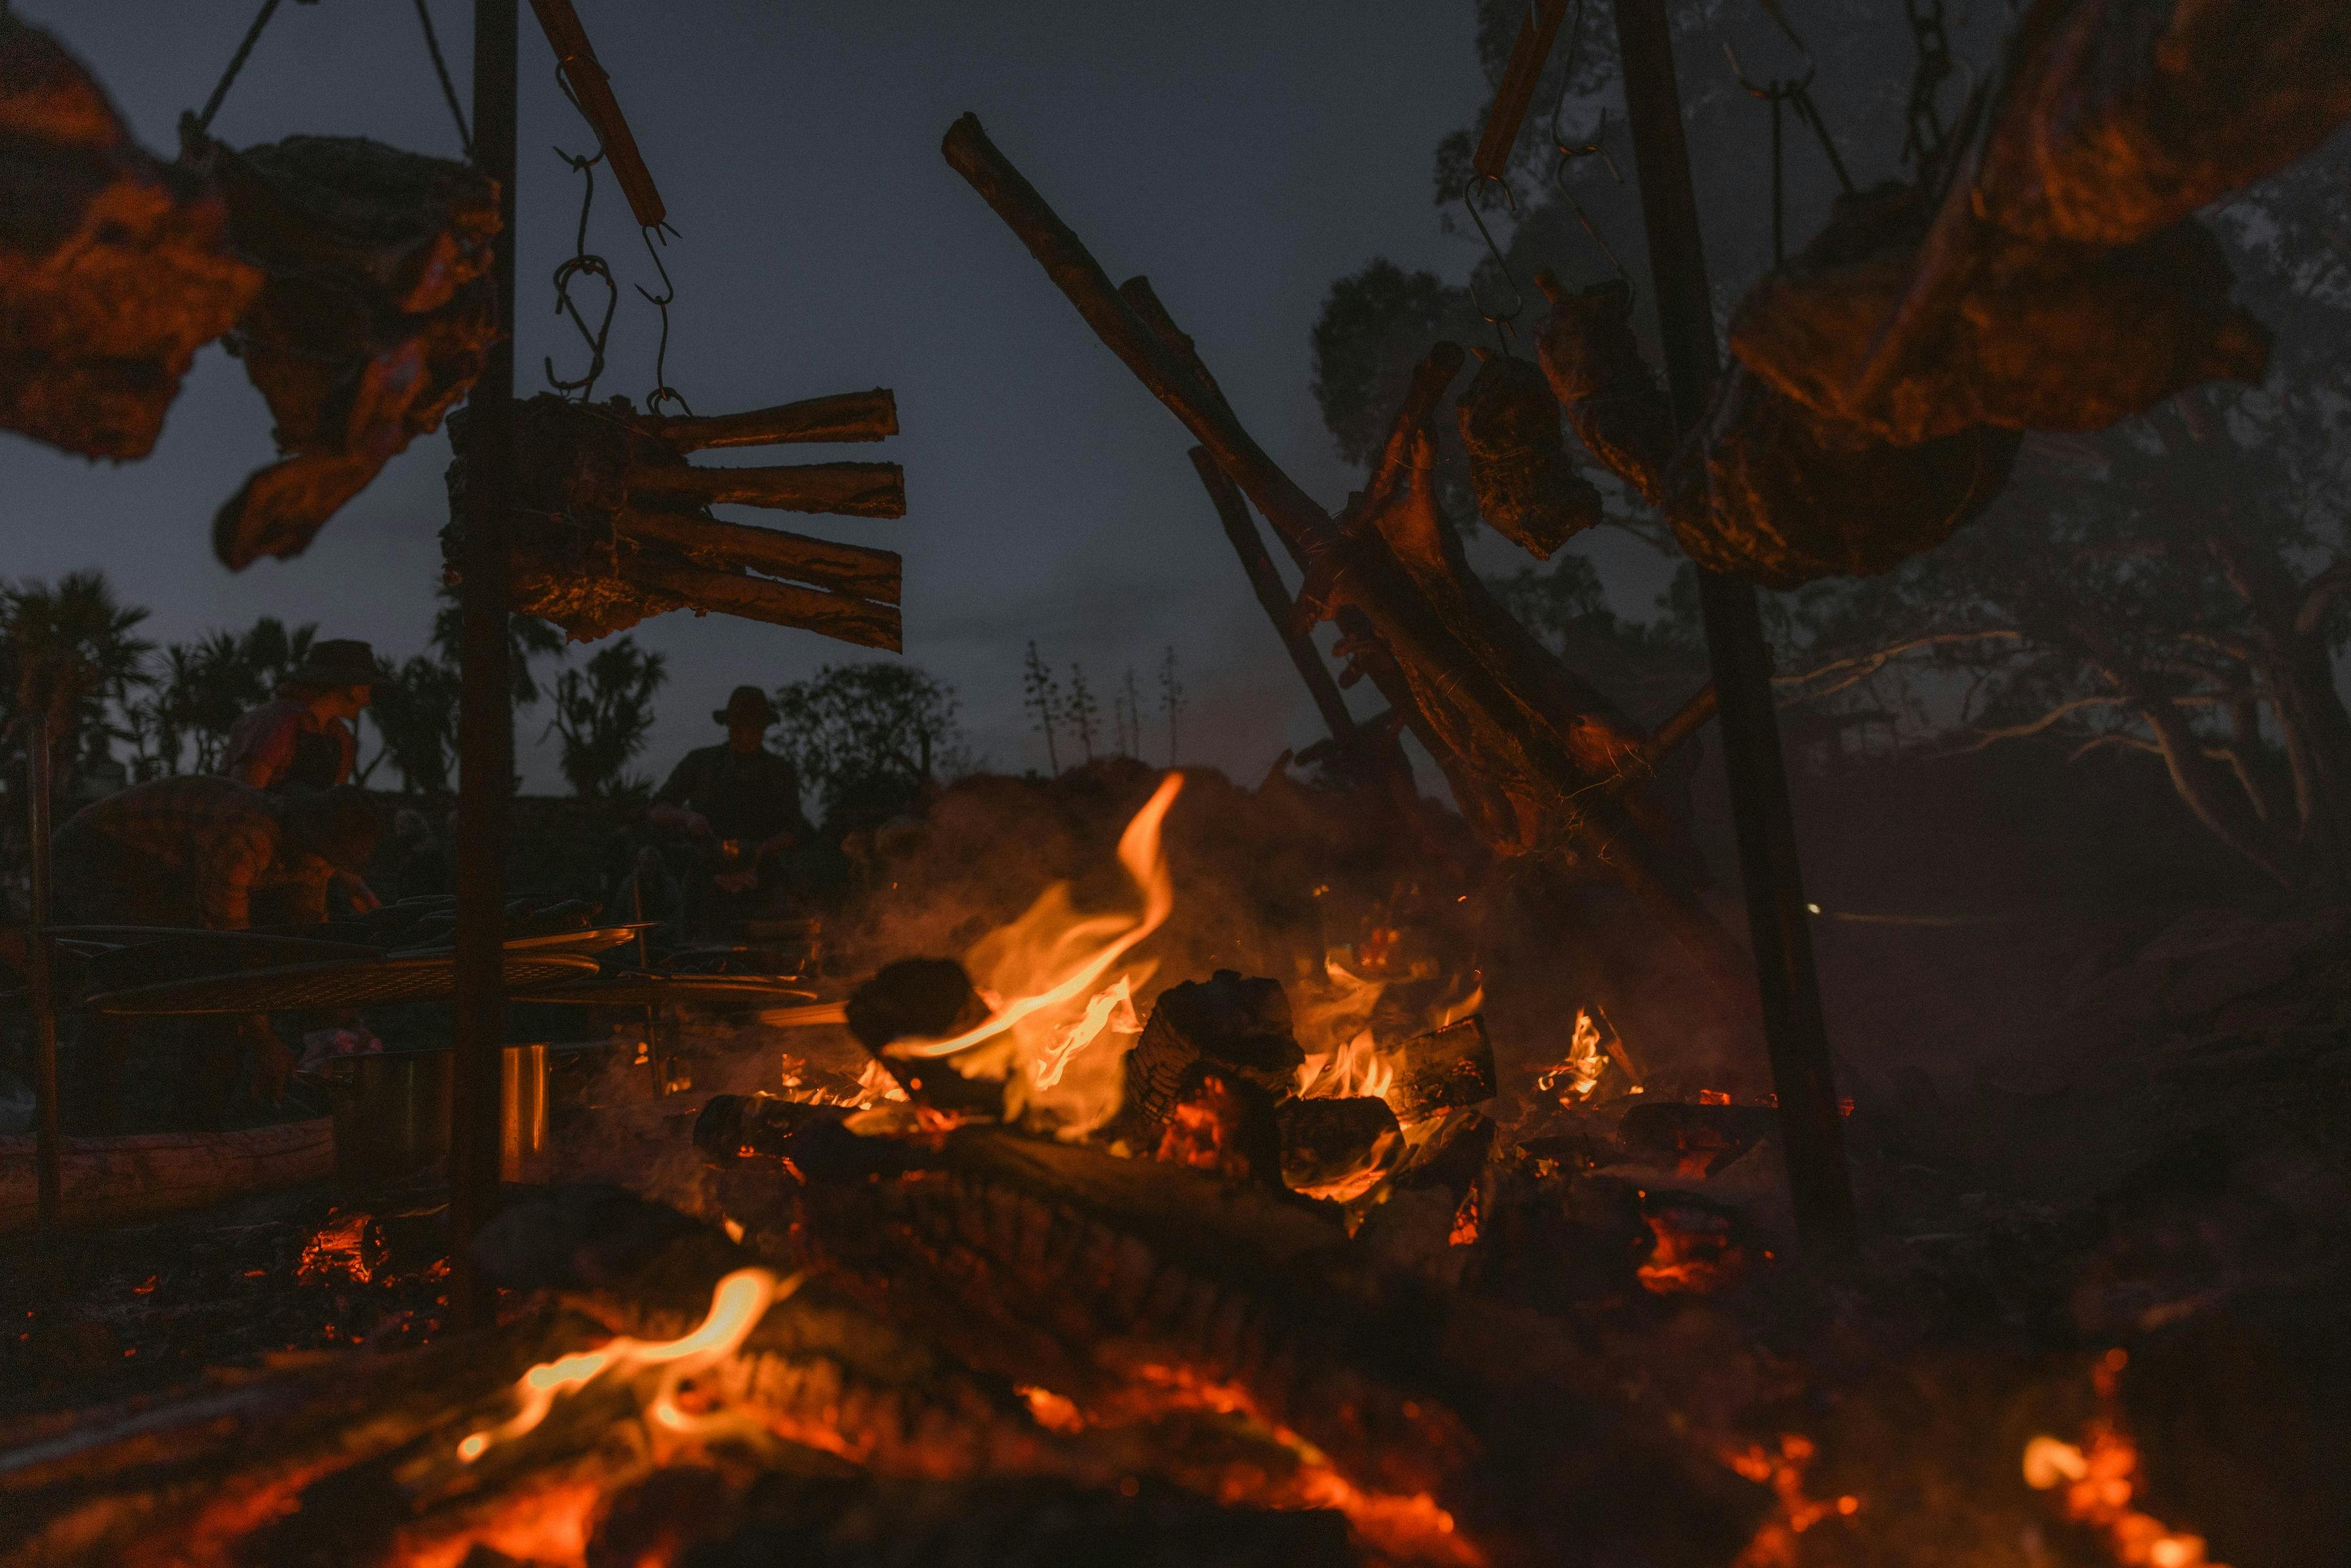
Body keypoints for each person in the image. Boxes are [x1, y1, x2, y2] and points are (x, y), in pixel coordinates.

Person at [53, 778, 383, 1119]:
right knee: (136, 970)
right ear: (307, 830)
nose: (325, 865)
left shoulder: (311, 852)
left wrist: (343, 1018)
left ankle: (199, 1116)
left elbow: (309, 935)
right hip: (99, 850)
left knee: (227, 976)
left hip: (167, 864)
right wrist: (263, 1038)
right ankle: (89, 1112)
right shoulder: (245, 836)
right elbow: (227, 948)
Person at [648, 686, 808, 931]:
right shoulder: (700, 763)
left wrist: (756, 852)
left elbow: (795, 831)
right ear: (729, 726)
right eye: (738, 728)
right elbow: (657, 809)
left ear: (763, 729)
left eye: (753, 729)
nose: (745, 736)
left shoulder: (780, 772)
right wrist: (687, 817)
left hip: (762, 886)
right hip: (705, 887)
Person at [224, 638, 377, 793]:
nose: (368, 701)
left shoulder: (339, 736)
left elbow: (335, 799)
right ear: (353, 688)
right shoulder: (279, 721)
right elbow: (245, 794)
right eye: (367, 690)